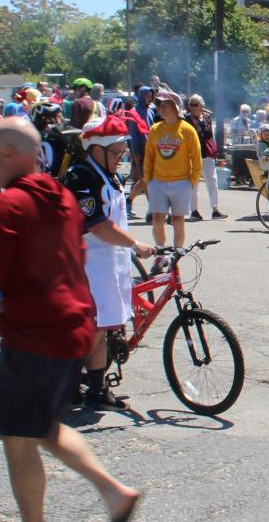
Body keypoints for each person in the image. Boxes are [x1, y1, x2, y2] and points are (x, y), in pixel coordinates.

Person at [0, 117, 141, 522]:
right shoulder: (61, 196)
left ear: (10, 154)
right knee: (41, 426)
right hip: (74, 327)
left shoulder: (8, 205)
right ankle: (114, 494)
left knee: (17, 435)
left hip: (34, 335)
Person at [62, 114, 158, 410]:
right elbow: (98, 225)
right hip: (88, 263)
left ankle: (95, 389)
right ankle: (66, 382)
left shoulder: (107, 174)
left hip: (110, 261)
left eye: (122, 152)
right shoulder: (81, 176)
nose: (121, 158)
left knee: (103, 326)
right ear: (96, 150)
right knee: (94, 327)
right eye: (116, 153)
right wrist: (135, 244)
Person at [142, 91, 201, 250]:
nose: (162, 109)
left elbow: (196, 158)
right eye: (160, 105)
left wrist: (191, 182)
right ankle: (161, 253)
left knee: (177, 220)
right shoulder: (155, 129)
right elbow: (149, 156)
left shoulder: (187, 130)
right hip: (158, 182)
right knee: (157, 220)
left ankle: (176, 254)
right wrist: (148, 180)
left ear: (176, 108)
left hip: (181, 182)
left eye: (166, 105)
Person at [183, 94, 224, 220]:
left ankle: (215, 209)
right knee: (194, 184)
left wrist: (215, 151)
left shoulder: (207, 117)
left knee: (213, 181)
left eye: (196, 104)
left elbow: (210, 136)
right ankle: (194, 211)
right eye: (191, 104)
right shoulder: (186, 119)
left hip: (207, 153)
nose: (193, 107)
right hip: (193, 155)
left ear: (201, 105)